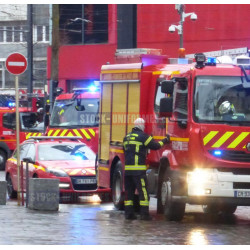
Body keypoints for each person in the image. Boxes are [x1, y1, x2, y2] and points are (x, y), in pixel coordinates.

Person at [123, 117, 170, 220]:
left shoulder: (126, 137)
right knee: (143, 192)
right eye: (143, 125)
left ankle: (129, 214)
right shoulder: (143, 137)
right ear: (141, 126)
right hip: (138, 171)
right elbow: (156, 146)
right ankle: (144, 214)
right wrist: (165, 140)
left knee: (129, 193)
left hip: (127, 171)